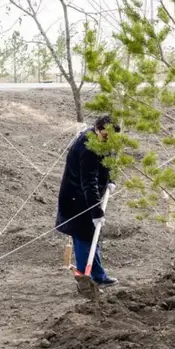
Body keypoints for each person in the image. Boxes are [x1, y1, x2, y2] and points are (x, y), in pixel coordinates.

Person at [56, 116, 119, 287]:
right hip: (77, 199)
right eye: (106, 136)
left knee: (89, 237)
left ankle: (97, 276)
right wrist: (96, 211)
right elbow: (88, 182)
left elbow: (110, 159)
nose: (109, 140)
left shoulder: (103, 139)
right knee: (84, 237)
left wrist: (110, 179)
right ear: (97, 129)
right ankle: (88, 279)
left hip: (85, 196)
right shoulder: (87, 147)